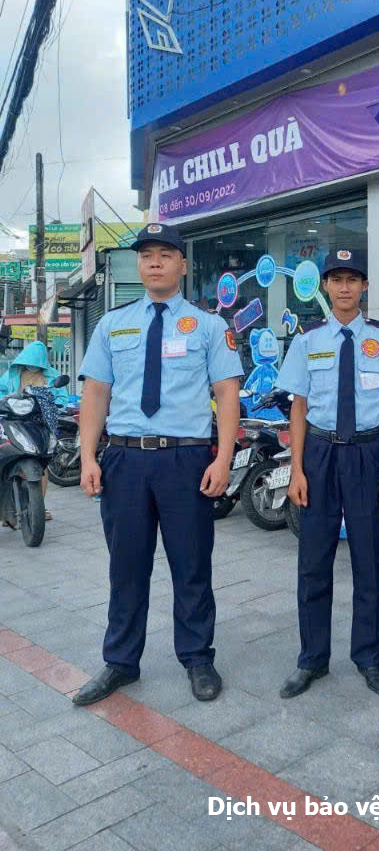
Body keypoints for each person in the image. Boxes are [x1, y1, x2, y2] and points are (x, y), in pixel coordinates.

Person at [71, 223, 243, 706]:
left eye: (165, 254)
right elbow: (96, 393)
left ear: (182, 265)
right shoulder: (113, 324)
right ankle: (120, 661)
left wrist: (223, 458)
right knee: (126, 566)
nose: (154, 262)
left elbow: (227, 394)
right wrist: (89, 457)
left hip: (186, 459)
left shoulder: (209, 326)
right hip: (125, 459)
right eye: (147, 255)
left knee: (192, 564)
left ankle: (197, 657)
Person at [276, 249, 379, 698]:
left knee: (368, 560)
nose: (345, 287)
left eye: (353, 279)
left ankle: (369, 656)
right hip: (318, 454)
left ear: (365, 286)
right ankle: (312, 659)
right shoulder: (307, 339)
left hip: (367, 455)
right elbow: (298, 407)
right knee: (313, 561)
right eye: (337, 280)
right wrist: (296, 469)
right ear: (326, 286)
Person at [0, 341, 69, 523]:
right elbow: (1, 392)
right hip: (13, 424)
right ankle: (6, 509)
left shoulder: (52, 376)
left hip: (41, 426)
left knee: (42, 466)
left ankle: (40, 507)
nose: (32, 365)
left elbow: (63, 398)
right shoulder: (13, 374)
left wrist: (54, 404)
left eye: (36, 362)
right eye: (29, 361)